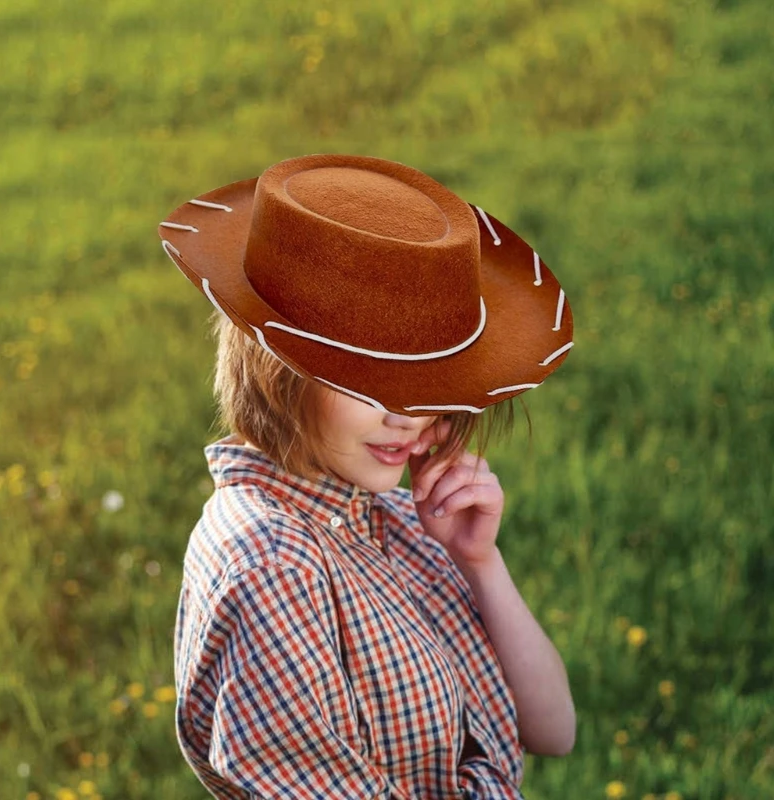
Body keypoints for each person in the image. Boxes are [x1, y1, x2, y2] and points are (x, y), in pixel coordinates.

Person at [159, 154, 576, 799]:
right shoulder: (276, 567)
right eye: (377, 382)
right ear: (281, 365)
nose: (410, 416)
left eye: (430, 382)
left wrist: (481, 563)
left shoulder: (393, 519)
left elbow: (552, 731)